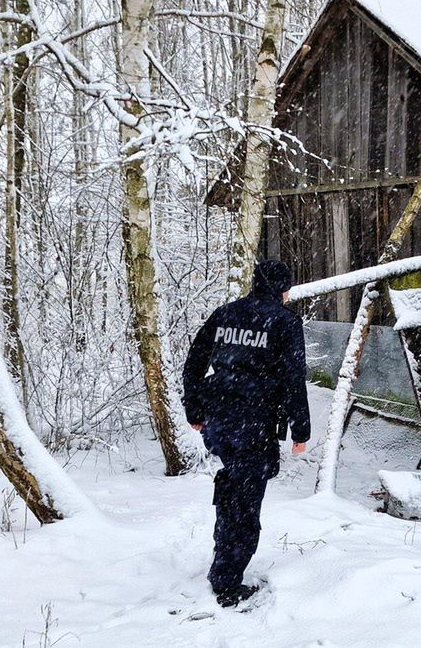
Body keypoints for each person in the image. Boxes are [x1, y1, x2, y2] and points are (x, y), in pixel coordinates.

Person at [182, 259, 311, 608]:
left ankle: (223, 564)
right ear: (282, 288)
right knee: (246, 502)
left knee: (233, 487)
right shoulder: (284, 322)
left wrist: (194, 409)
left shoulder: (226, 313)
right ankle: (226, 582)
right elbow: (293, 378)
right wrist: (301, 430)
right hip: (252, 422)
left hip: (220, 419)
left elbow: (195, 361)